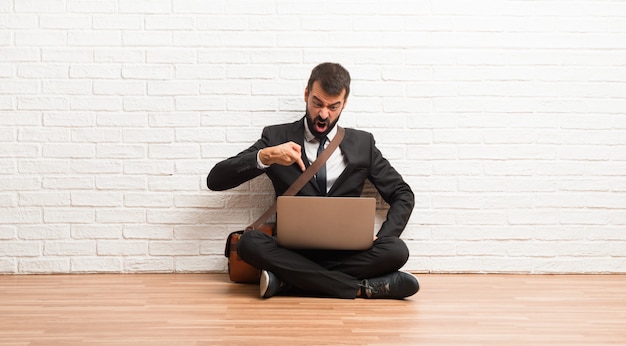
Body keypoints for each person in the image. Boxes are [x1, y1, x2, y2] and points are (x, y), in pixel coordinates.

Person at [207, 62, 419, 299]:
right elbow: (216, 180)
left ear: (345, 103)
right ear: (306, 94)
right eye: (317, 103)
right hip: (292, 250)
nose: (324, 114)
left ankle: (288, 281)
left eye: (333, 106)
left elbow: (402, 193)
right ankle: (359, 288)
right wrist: (266, 156)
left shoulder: (362, 144)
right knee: (249, 243)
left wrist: (383, 236)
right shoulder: (276, 137)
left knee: (396, 250)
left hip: (346, 253)